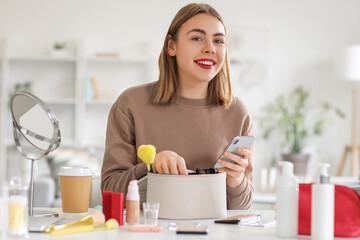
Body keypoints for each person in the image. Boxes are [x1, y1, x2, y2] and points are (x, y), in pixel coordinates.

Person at [101, 3, 254, 209]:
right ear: (171, 46)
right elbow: (109, 190)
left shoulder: (238, 113)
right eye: (197, 38)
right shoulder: (130, 104)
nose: (210, 48)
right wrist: (151, 166)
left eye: (218, 40)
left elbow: (242, 207)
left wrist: (235, 180)